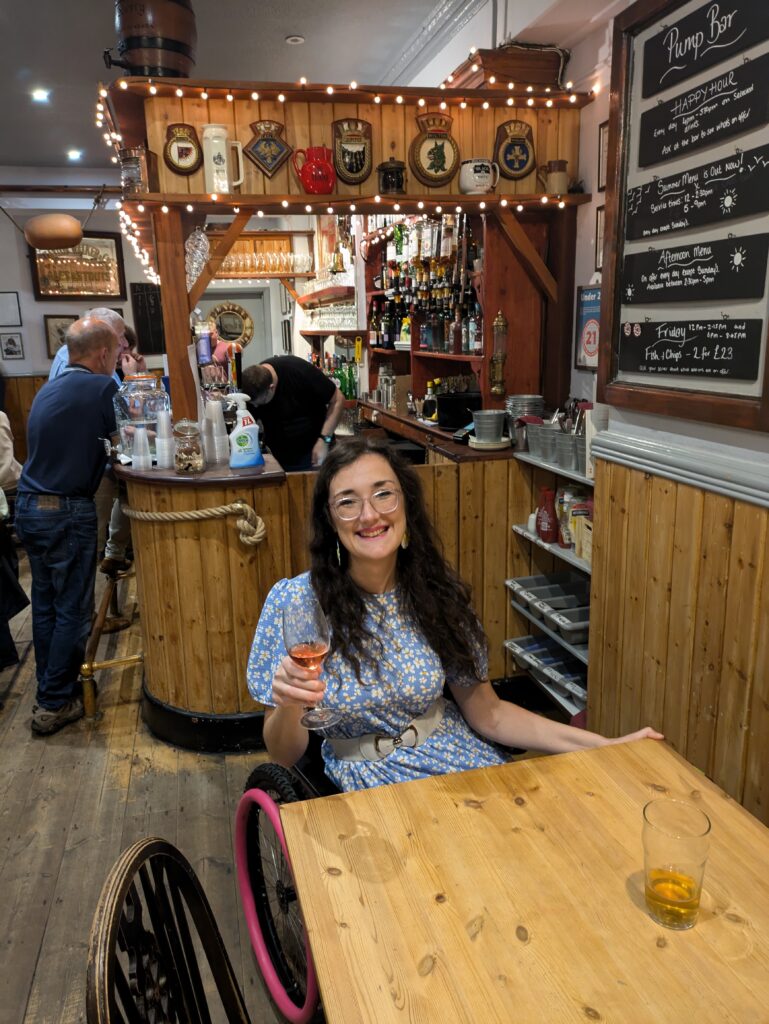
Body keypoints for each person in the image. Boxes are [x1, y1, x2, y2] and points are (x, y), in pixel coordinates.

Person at [247, 436, 663, 792]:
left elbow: (490, 713)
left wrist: (605, 746)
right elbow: (283, 753)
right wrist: (289, 702)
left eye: (383, 493)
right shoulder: (298, 601)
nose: (370, 514)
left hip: (454, 760)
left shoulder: (433, 593)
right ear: (330, 520)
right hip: (365, 785)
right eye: (348, 503)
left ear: (406, 504)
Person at [14, 317, 119, 735]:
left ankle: (50, 690)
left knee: (47, 607)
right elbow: (127, 444)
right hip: (65, 511)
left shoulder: (47, 388)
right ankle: (53, 702)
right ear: (104, 354)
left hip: (28, 507)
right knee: (73, 611)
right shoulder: (101, 388)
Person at [49, 308, 137, 574]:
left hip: (76, 467)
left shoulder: (79, 365)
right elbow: (118, 419)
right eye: (120, 337)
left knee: (130, 491)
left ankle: (112, 553)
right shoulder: (86, 371)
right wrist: (131, 378)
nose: (123, 344)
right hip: (84, 468)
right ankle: (92, 604)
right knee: (88, 546)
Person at [241, 355, 345, 471]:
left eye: (261, 403)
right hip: (278, 457)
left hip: (314, 453)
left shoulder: (298, 370)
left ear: (271, 388)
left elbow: (337, 399)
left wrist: (324, 440)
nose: (256, 406)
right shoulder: (253, 386)